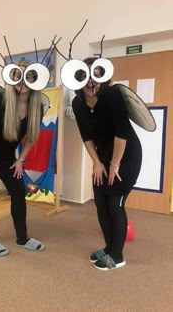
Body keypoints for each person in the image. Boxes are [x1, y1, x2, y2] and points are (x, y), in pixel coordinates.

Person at [72, 57, 142, 270]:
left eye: (96, 75)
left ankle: (117, 255)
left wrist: (114, 164)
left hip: (126, 157)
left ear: (104, 78)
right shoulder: (77, 103)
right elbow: (86, 137)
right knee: (101, 203)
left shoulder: (112, 96)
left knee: (114, 203)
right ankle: (109, 247)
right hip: (102, 158)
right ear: (78, 78)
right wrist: (97, 163)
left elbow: (122, 132)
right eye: (85, 76)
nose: (91, 82)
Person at [0, 62, 45, 256]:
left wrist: (20, 160)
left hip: (7, 154)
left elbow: (31, 137)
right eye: (17, 75)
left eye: (28, 76)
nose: (23, 80)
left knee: (18, 192)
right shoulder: (0, 101)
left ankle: (22, 238)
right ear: (11, 79)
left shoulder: (38, 106)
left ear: (35, 80)